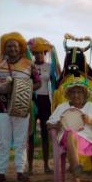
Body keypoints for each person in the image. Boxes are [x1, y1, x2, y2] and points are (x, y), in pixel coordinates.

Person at [0, 32, 41, 182]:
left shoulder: (29, 64)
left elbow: (38, 83)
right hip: (2, 109)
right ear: (4, 49)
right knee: (3, 142)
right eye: (9, 46)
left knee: (21, 141)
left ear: (20, 48)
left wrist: (23, 89)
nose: (12, 49)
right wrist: (0, 90)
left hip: (22, 107)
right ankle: (1, 173)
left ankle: (20, 171)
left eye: (15, 46)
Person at [47, 77, 92, 182]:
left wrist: (91, 121)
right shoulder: (62, 107)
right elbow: (49, 125)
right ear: (69, 94)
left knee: (72, 134)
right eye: (73, 92)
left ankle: (75, 174)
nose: (76, 95)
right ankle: (76, 178)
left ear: (85, 94)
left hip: (86, 139)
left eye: (79, 92)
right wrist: (59, 124)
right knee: (70, 132)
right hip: (66, 139)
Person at [27, 37, 61, 174]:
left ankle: (46, 165)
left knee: (46, 135)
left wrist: (55, 53)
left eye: (42, 52)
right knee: (30, 135)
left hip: (46, 101)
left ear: (45, 53)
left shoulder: (49, 67)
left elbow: (57, 81)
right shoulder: (29, 66)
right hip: (32, 101)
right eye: (36, 53)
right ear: (33, 53)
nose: (39, 55)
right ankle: (29, 167)